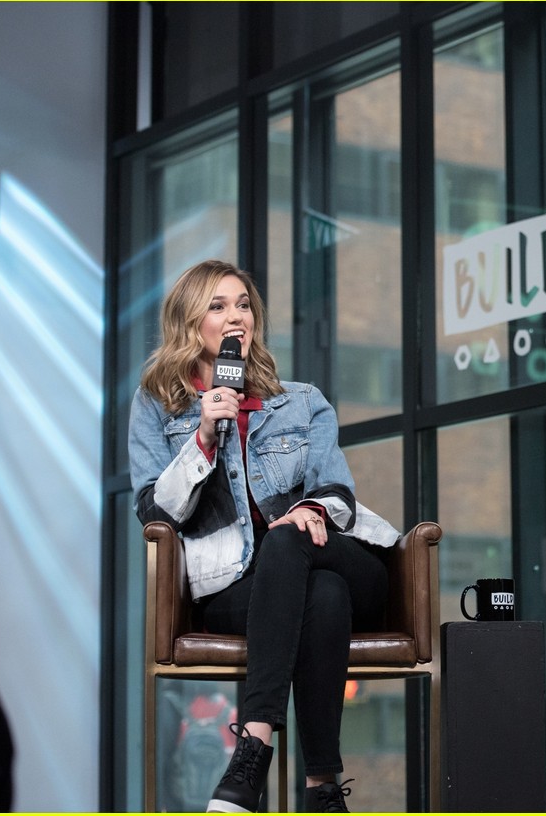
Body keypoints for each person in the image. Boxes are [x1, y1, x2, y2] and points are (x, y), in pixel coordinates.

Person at [130, 259, 401, 813]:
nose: (236, 317)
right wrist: (204, 436)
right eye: (218, 306)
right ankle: (322, 788)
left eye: (244, 304)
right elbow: (155, 513)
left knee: (291, 540)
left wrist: (307, 511)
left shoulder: (301, 400)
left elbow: (339, 495)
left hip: (342, 557)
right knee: (322, 597)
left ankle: (251, 751)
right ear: (190, 322)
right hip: (239, 589)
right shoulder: (158, 406)